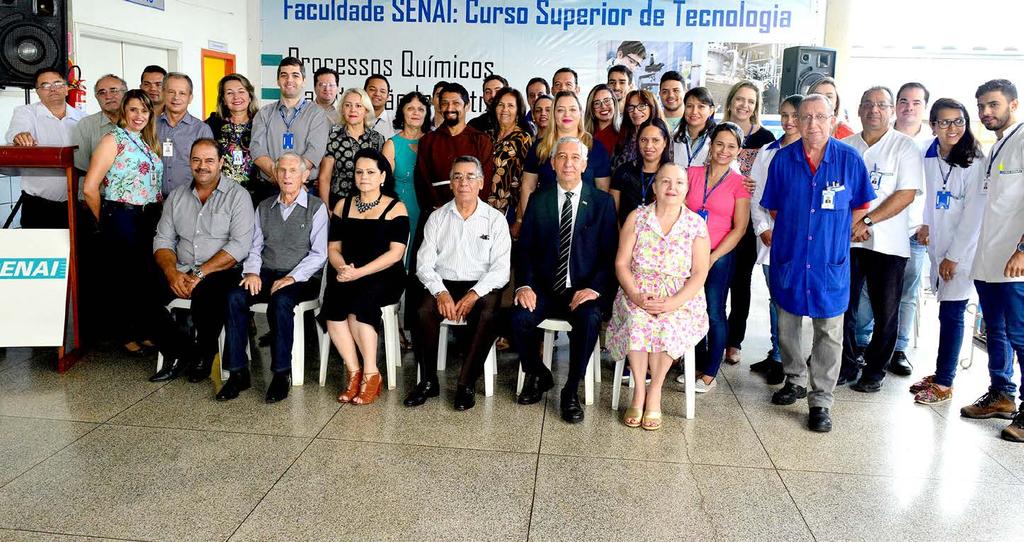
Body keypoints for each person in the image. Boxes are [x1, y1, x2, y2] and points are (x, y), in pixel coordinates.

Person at [762, 94, 876, 432]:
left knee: (829, 331)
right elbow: (773, 208)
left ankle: (821, 400)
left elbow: (861, 206)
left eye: (820, 117)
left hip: (829, 259)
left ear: (833, 118)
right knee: (787, 324)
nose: (812, 124)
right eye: (806, 117)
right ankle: (794, 378)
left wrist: (834, 231)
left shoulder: (849, 159)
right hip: (791, 256)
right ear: (796, 120)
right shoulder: (782, 160)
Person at [511, 136, 618, 423]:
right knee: (517, 319)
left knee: (589, 320)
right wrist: (524, 285)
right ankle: (540, 373)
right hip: (545, 289)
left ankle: (570, 391)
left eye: (575, 157)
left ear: (584, 164)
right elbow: (526, 249)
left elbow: (610, 255)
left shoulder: (602, 203)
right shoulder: (539, 199)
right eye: (562, 157)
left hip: (582, 289)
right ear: (553, 163)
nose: (568, 163)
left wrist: (594, 288)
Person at [606, 163, 710, 430]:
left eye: (679, 183)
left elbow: (699, 273)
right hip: (638, 291)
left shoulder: (695, 224)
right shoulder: (637, 217)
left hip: (681, 297)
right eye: (665, 181)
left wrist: (674, 302)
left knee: (667, 323)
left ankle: (656, 392)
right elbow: (621, 264)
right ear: (654, 187)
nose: (672, 188)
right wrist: (636, 295)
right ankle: (640, 390)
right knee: (638, 321)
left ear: (687, 189)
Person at [404, 156, 511, 410]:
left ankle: (466, 383)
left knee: (488, 313)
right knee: (422, 311)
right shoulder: (437, 217)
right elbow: (424, 265)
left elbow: (501, 270)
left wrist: (474, 293)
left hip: (481, 285)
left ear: (482, 183)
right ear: (451, 183)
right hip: (444, 283)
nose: (464, 182)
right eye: (458, 177)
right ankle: (428, 381)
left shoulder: (495, 219)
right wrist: (440, 292)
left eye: (470, 177)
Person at [219, 153, 328, 403]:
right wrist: (253, 272)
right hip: (267, 272)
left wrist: (292, 277)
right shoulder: (264, 207)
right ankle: (237, 373)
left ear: (304, 177)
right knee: (235, 296)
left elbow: (319, 254)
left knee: (280, 301)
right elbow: (254, 247)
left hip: (302, 277)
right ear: (275, 175)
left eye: (293, 171)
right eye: (282, 171)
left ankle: (281, 374)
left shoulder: (316, 207)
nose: (287, 175)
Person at [836, 86, 924, 392]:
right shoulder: (845, 146)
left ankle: (875, 369)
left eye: (881, 105)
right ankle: (845, 364)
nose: (874, 110)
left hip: (888, 244)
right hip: (847, 241)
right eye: (868, 105)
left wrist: (868, 220)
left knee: (886, 310)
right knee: (842, 307)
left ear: (890, 111)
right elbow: (835, 193)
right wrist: (853, 224)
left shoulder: (905, 147)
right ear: (859, 110)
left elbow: (906, 193)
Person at [148, 139, 255, 383]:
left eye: (209, 160)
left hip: (222, 270)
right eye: (196, 160)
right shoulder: (176, 197)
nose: (202, 166)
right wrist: (171, 273)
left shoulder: (238, 196)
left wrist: (200, 273)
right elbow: (163, 240)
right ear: (189, 162)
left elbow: (239, 246)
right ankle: (180, 352)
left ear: (221, 163)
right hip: (181, 267)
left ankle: (204, 356)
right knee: (142, 293)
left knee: (208, 296)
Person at [911, 98, 985, 405]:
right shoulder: (928, 152)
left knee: (953, 312)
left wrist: (954, 256)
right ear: (933, 126)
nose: (952, 128)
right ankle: (942, 372)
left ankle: (944, 382)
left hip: (963, 250)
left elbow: (973, 215)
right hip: (938, 244)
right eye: (944, 122)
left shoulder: (975, 159)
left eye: (959, 121)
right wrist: (925, 223)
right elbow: (929, 196)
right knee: (946, 311)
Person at [81, 90, 164, 357]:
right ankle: (126, 335)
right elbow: (90, 188)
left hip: (148, 216)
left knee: (143, 276)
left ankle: (143, 330)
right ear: (123, 113)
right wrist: (103, 221)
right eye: (133, 110)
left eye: (144, 110)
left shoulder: (147, 142)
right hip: (122, 215)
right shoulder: (112, 139)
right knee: (124, 277)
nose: (139, 115)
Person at [323, 148, 409, 405]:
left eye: (371, 172)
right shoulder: (342, 205)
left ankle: (371, 373)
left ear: (383, 176)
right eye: (359, 172)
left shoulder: (396, 208)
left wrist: (359, 272)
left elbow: (395, 254)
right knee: (334, 305)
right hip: (347, 271)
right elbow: (333, 248)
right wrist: (342, 269)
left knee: (359, 304)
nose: (364, 177)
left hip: (383, 274)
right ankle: (354, 371)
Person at [964, 79, 1024, 442]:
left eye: (994, 105)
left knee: (1021, 333)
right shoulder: (998, 145)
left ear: (1013, 104)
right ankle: (1001, 394)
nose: (986, 112)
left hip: (1015, 262)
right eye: (982, 106)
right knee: (997, 330)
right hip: (989, 260)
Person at [680, 123, 751, 392]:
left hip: (720, 254)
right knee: (690, 308)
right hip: (688, 251)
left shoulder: (739, 184)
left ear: (739, 151)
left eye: (731, 146)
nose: (724, 150)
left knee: (713, 310)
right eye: (719, 144)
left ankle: (710, 372)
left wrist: (712, 257)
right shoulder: (692, 173)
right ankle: (695, 364)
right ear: (711, 145)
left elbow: (740, 228)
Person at [748, 94, 804, 384]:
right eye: (784, 115)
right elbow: (756, 194)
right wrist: (761, 228)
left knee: (790, 301)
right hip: (771, 239)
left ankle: (789, 357)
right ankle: (777, 354)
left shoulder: (811, 151)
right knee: (775, 299)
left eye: (795, 115)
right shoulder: (767, 151)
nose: (789, 121)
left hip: (801, 242)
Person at [722, 81, 776, 366]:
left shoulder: (766, 139)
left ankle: (734, 341)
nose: (744, 105)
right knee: (715, 282)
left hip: (747, 219)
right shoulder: (716, 133)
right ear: (731, 102)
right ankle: (711, 337)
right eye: (740, 99)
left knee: (740, 283)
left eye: (751, 101)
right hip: (719, 218)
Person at [5, 67, 85, 228]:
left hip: (77, 205)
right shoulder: (26, 113)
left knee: (76, 252)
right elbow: (16, 131)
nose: (53, 89)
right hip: (38, 207)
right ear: (38, 91)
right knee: (41, 252)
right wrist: (20, 136)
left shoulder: (82, 118)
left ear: (66, 87)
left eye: (57, 83)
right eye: (45, 85)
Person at [519, 92, 612, 225]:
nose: (567, 114)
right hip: (545, 221)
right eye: (561, 110)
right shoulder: (539, 147)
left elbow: (603, 190)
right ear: (553, 114)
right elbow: (528, 186)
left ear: (580, 113)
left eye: (572, 109)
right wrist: (529, 221)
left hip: (586, 223)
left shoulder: (595, 148)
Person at [251, 57, 330, 191]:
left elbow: (314, 152)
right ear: (278, 81)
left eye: (295, 75)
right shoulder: (264, 113)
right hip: (270, 189)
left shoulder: (317, 114)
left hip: (305, 189)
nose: (289, 80)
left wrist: (294, 181)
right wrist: (282, 178)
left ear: (303, 81)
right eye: (284, 75)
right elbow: (257, 150)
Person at [414, 82, 494, 213]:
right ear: (439, 107)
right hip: (436, 215)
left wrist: (469, 210)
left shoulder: (481, 140)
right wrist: (440, 210)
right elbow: (422, 182)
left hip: (472, 215)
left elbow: (484, 181)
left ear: (467, 106)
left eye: (456, 103)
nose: (450, 108)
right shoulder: (427, 141)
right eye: (445, 103)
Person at [383, 91, 431, 262]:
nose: (416, 113)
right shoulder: (392, 144)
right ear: (402, 112)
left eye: (421, 109)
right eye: (410, 108)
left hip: (428, 212)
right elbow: (384, 184)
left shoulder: (432, 142)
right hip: (399, 211)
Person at [318, 88, 385, 205]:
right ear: (342, 110)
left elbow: (382, 175)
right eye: (348, 105)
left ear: (366, 111)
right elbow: (324, 177)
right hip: (339, 202)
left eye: (358, 106)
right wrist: (326, 209)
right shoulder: (333, 138)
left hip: (370, 203)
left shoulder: (377, 138)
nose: (353, 110)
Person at [205, 74, 261, 202]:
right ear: (223, 99)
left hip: (255, 195)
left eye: (241, 91)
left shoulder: (261, 123)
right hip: (219, 195)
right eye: (230, 93)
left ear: (249, 95)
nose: (236, 97)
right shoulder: (212, 124)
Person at [610, 118, 673, 224]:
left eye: (655, 140)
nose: (648, 146)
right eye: (643, 140)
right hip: (626, 235)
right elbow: (612, 213)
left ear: (665, 142)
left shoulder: (672, 174)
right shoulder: (623, 171)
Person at [484, 87, 533, 223]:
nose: (505, 109)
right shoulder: (488, 135)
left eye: (510, 105)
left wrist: (519, 220)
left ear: (518, 111)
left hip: (509, 210)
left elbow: (527, 181)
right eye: (500, 105)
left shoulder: (523, 139)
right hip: (483, 207)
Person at [72, 74, 126, 173]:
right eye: (102, 93)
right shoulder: (86, 125)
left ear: (125, 94)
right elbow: (81, 168)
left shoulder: (138, 122)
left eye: (113, 91)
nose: (108, 96)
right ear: (96, 97)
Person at [613, 89, 663, 171]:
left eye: (642, 106)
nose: (635, 111)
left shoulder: (665, 137)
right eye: (631, 107)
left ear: (652, 108)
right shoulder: (622, 138)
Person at [672, 87, 716, 169]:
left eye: (701, 106)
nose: (694, 112)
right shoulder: (673, 138)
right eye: (689, 106)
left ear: (711, 110)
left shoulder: (718, 138)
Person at [584, 84, 619, 160]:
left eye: (607, 101)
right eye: (597, 103)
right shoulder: (583, 137)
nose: (603, 106)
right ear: (592, 109)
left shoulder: (624, 135)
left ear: (614, 103)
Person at [365, 74, 396, 139]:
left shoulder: (394, 122)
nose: (377, 94)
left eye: (382, 91)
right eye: (372, 89)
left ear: (388, 97)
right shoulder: (354, 117)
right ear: (364, 92)